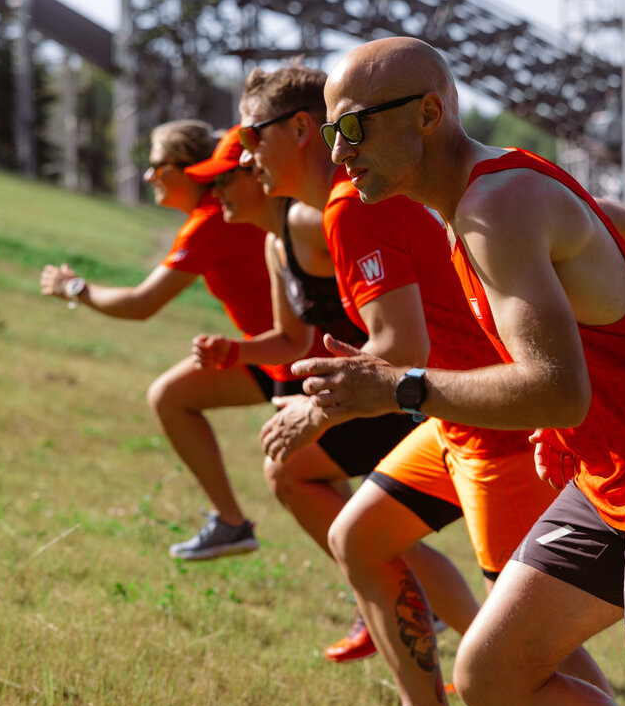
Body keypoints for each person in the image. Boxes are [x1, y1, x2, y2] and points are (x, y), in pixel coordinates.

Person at [296, 36, 625, 706]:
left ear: (428, 114)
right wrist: (592, 398)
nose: (339, 152)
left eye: (354, 126)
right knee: (489, 676)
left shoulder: (499, 206)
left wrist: (398, 388)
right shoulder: (479, 201)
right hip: (608, 475)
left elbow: (557, 388)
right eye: (329, 130)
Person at [237, 64, 611, 706]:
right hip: (453, 425)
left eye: (250, 137)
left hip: (502, 438)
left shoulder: (354, 208)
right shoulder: (375, 194)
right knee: (359, 538)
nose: (244, 155)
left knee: (533, 651)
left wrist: (317, 409)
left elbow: (399, 348)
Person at [188, 126, 477, 663]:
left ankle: (407, 599)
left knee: (325, 498)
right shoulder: (279, 241)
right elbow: (292, 338)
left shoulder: (320, 218)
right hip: (370, 384)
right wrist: (234, 350)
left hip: (396, 386)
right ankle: (399, 597)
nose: (217, 195)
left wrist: (319, 400)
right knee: (356, 520)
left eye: (226, 178)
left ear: (257, 172)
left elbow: (396, 333)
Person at [41, 119, 294, 560]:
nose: (148, 177)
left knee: (307, 485)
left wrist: (75, 289)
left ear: (188, 168)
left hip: (292, 353)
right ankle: (232, 524)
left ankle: (394, 588)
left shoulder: (214, 219)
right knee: (172, 396)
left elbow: (141, 303)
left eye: (158, 166)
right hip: (269, 350)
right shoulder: (217, 213)